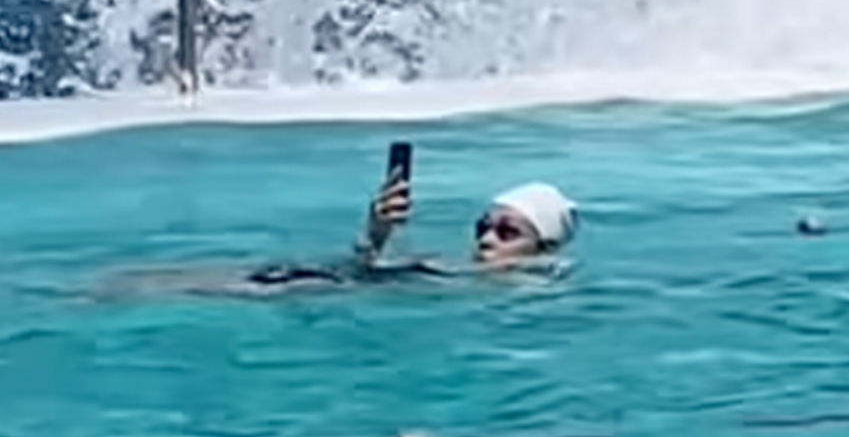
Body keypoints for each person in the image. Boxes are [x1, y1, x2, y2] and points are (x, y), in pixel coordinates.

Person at [95, 158, 579, 299]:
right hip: (323, 279)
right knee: (152, 280)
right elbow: (368, 265)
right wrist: (376, 232)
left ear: (544, 248)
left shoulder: (529, 286)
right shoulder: (458, 271)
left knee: (153, 292)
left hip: (319, 289)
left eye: (507, 232)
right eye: (484, 226)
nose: (486, 239)